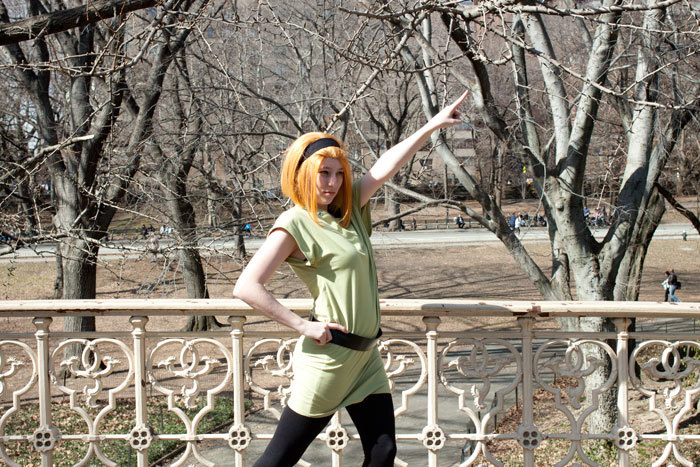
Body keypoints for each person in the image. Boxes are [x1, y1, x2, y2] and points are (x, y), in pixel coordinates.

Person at [233, 90, 469, 467]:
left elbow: (385, 166)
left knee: (383, 452)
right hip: (329, 359)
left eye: (339, 173)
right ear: (303, 175)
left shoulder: (349, 211)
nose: (332, 182)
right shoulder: (295, 222)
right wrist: (302, 325)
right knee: (279, 459)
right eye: (323, 173)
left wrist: (432, 126)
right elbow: (246, 286)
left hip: (366, 359)